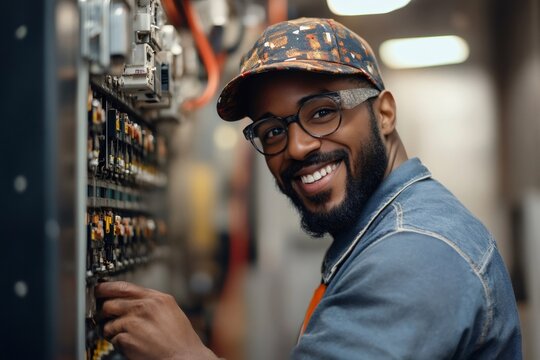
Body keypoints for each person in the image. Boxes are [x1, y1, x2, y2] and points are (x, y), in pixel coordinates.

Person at [96, 17, 522, 359]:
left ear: (386, 113)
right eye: (272, 130)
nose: (297, 147)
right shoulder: (391, 229)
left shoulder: (413, 255)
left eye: (322, 112)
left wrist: (182, 355)